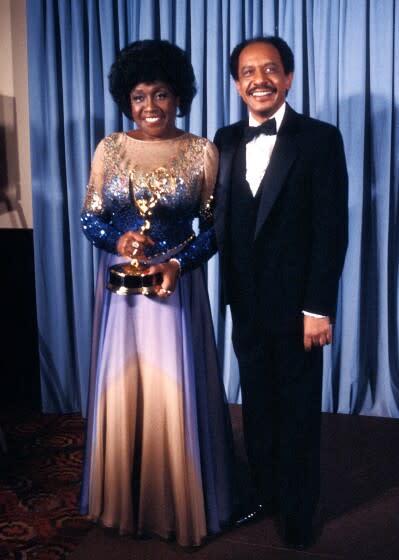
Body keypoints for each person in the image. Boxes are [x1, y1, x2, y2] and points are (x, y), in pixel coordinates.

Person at [79, 39, 234, 547]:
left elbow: (213, 231)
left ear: (179, 96)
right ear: (127, 98)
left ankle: (175, 502)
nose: (150, 106)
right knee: (125, 391)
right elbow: (89, 218)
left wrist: (177, 262)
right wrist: (116, 238)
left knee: (173, 392)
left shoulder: (201, 152)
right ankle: (124, 496)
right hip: (120, 293)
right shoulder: (110, 148)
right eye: (140, 95)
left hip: (174, 289)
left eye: (161, 94)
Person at [213, 36, 348, 549]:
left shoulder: (319, 139)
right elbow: (217, 224)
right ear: (237, 84)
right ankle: (267, 492)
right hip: (244, 305)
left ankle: (299, 507)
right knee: (258, 406)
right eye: (248, 72)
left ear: (288, 78)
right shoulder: (224, 140)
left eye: (270, 69)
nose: (259, 79)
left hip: (299, 311)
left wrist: (319, 307)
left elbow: (331, 230)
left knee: (297, 409)